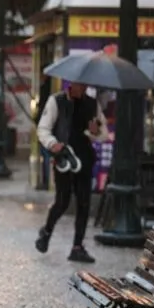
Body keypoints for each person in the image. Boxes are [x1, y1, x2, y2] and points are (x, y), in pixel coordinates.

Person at [35, 81, 109, 263]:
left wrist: (95, 131)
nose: (82, 88)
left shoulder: (92, 104)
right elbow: (43, 129)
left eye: (84, 85)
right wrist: (53, 144)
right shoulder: (57, 101)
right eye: (78, 84)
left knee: (84, 202)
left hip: (84, 158)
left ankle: (77, 246)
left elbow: (103, 134)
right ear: (71, 83)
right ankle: (46, 232)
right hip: (64, 158)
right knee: (62, 200)